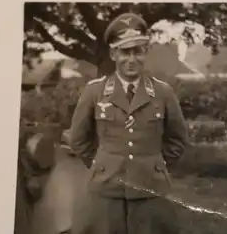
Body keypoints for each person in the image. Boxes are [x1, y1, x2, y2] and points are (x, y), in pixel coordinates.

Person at [69, 12, 190, 234]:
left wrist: (155, 165)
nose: (132, 59)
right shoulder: (95, 91)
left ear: (145, 53)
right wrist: (102, 164)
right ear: (114, 54)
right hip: (106, 190)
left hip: (150, 190)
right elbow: (78, 139)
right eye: (125, 52)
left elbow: (178, 139)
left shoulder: (163, 92)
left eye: (138, 52)